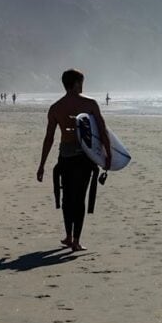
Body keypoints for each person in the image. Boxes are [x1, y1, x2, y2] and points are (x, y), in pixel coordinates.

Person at [36, 69, 111, 252]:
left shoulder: (55, 108)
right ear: (76, 83)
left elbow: (49, 138)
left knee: (67, 198)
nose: (83, 85)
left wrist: (42, 165)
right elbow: (102, 131)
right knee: (79, 199)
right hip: (84, 157)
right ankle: (76, 241)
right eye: (81, 82)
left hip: (65, 156)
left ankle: (68, 236)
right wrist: (107, 156)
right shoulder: (90, 104)